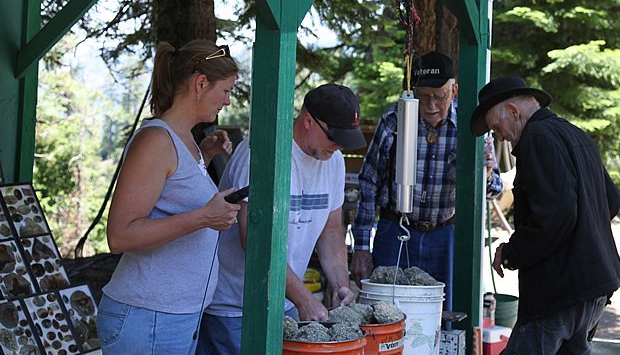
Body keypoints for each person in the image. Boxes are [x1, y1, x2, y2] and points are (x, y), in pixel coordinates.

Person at [197, 83, 368, 354]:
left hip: (282, 301)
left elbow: (332, 232)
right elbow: (253, 241)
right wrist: (304, 299)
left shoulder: (333, 160)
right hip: (234, 305)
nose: (338, 147)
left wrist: (340, 285)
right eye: (334, 138)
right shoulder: (262, 153)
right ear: (309, 120)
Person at [97, 40, 242, 354]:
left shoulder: (184, 139)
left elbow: (170, 187)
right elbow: (120, 236)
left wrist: (204, 154)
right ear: (201, 84)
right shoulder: (155, 140)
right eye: (226, 91)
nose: (227, 102)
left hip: (171, 316)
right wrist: (204, 217)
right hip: (148, 316)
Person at [470, 75, 620, 354]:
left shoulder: (536, 139)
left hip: (560, 292)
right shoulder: (575, 134)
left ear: (514, 112)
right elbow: (611, 202)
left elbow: (555, 216)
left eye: (497, 127)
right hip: (595, 285)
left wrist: (512, 251)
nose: (500, 136)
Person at [351, 51, 503, 307]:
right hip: (395, 229)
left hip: (446, 234)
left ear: (454, 91)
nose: (431, 106)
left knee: (445, 313)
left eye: (439, 96)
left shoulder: (472, 127)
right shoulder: (394, 120)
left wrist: (485, 173)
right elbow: (369, 182)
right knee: (384, 311)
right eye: (423, 97)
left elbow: (494, 190)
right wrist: (362, 247)